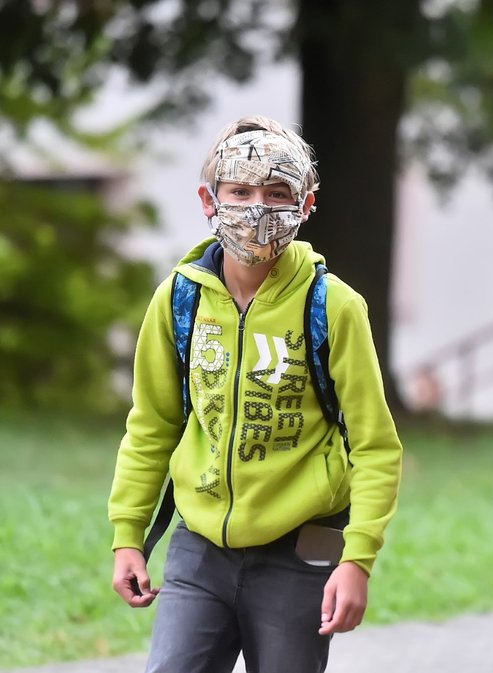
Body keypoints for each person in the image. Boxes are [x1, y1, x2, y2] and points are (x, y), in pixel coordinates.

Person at [108, 116, 403, 673]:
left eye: (277, 193)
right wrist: (128, 534)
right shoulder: (178, 300)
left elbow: (375, 446)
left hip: (300, 552)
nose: (256, 208)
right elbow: (151, 425)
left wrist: (357, 559)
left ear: (306, 203)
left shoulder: (333, 306)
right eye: (239, 191)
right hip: (199, 549)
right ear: (208, 199)